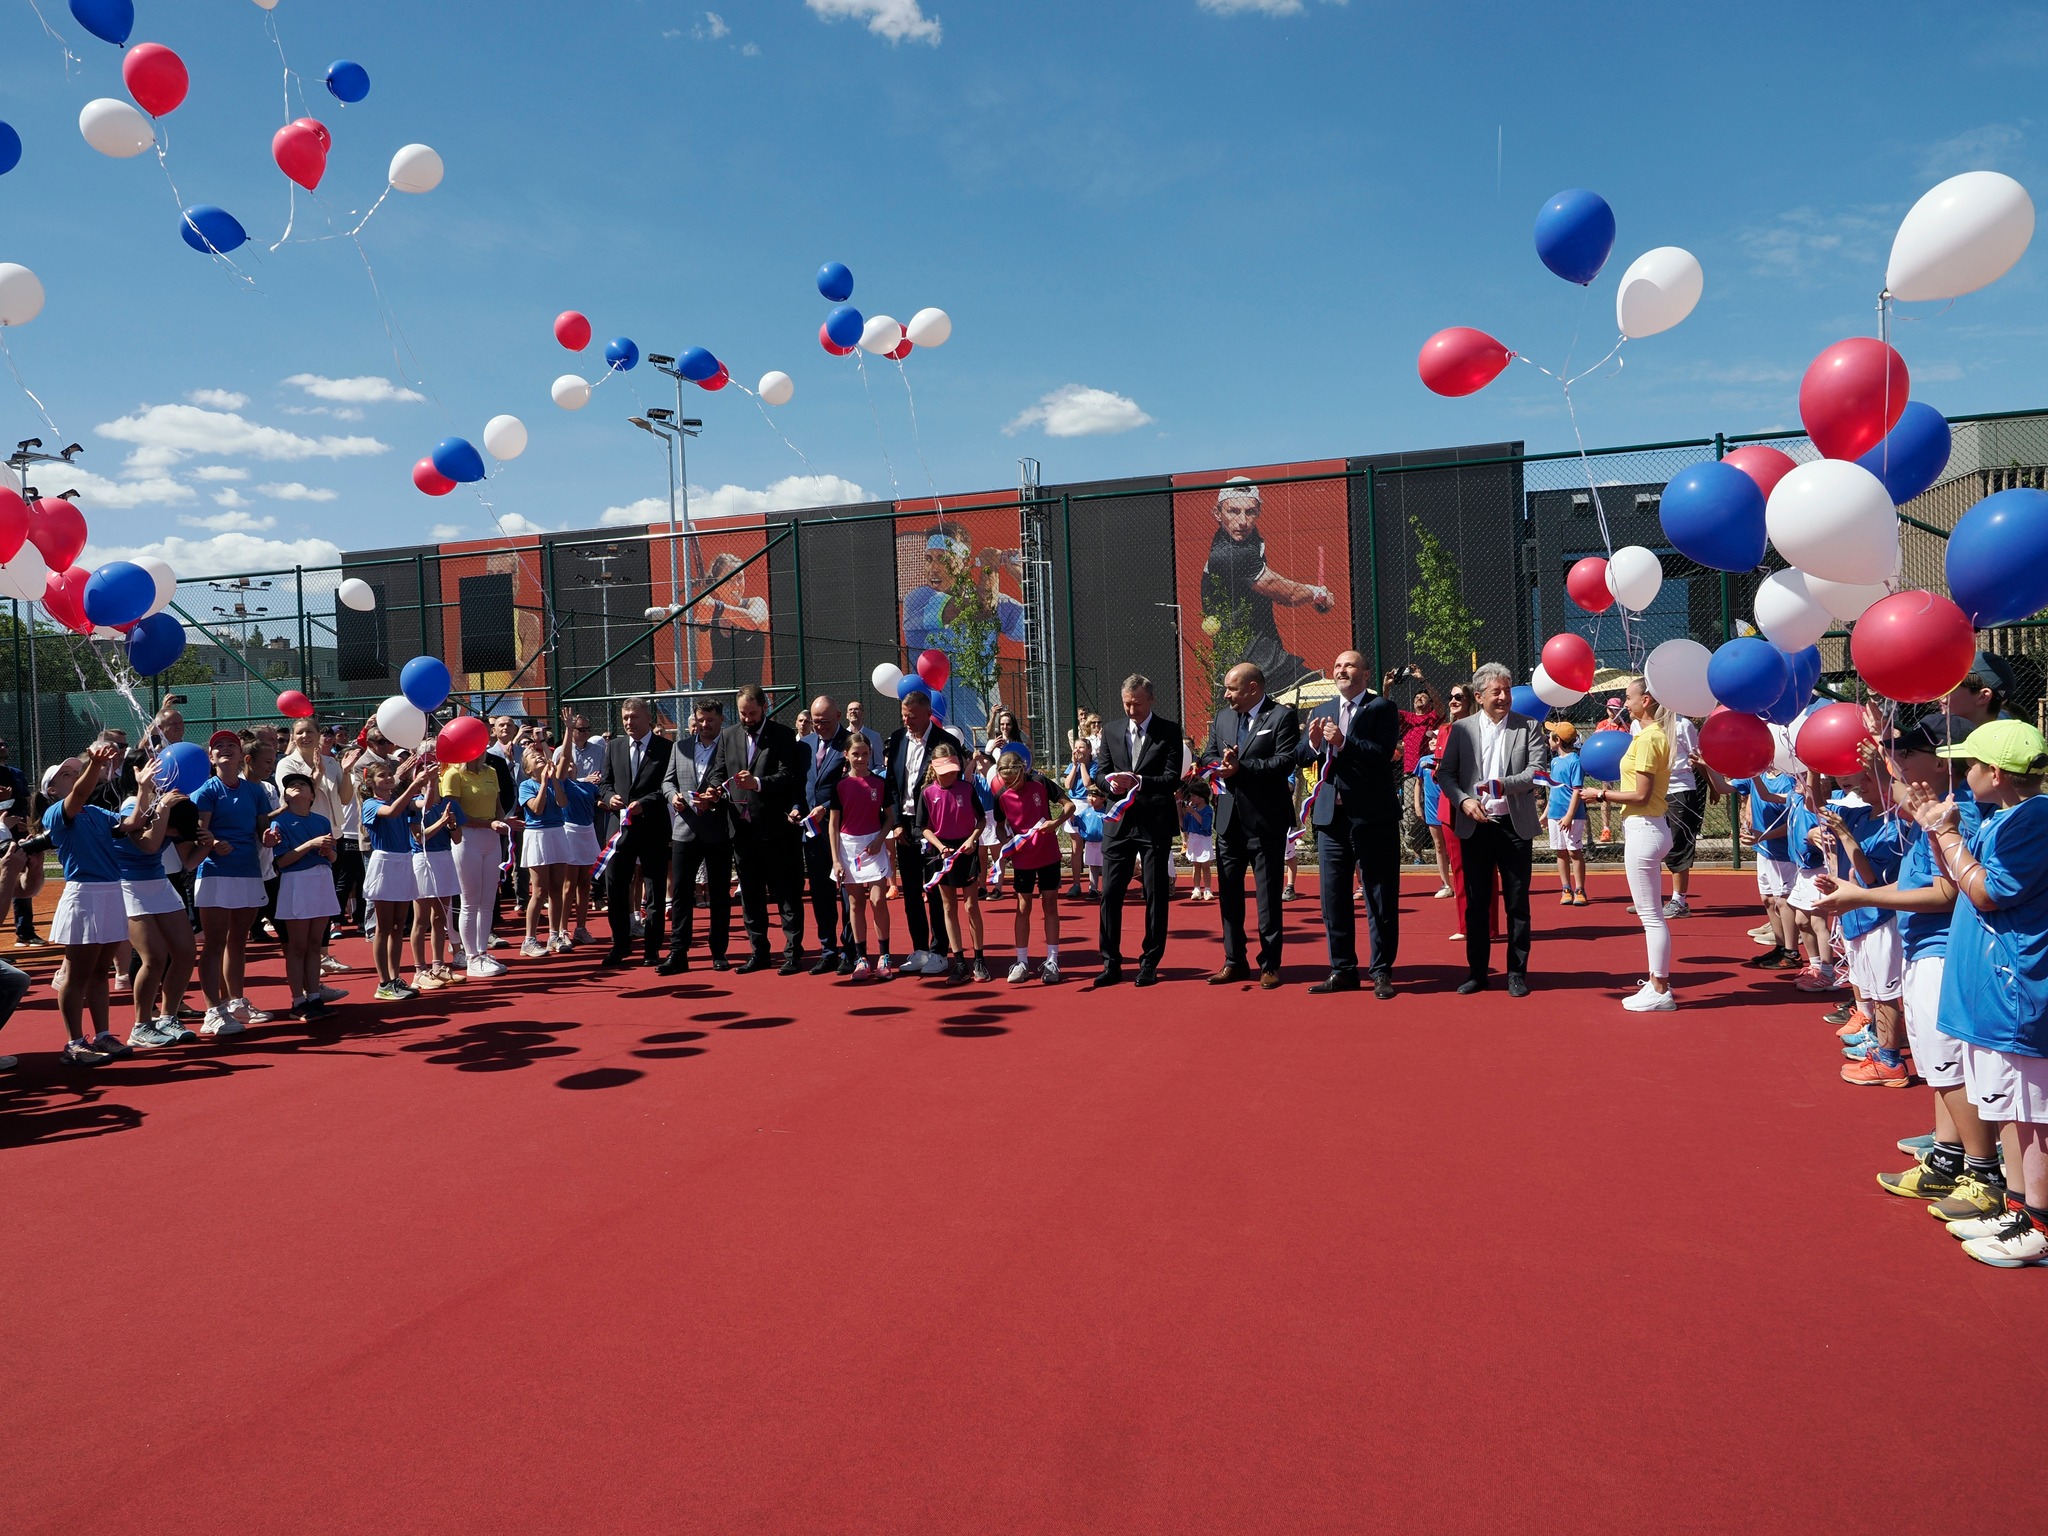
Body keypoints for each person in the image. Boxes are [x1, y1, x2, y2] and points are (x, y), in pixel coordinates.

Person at [1814, 723, 2001, 1216]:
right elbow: (1897, 782)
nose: (1897, 764)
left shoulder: (1954, 813)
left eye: (1906, 754)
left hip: (1942, 951)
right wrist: (1879, 751)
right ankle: (1946, 1160)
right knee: (1940, 1067)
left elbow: (1947, 892)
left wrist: (1861, 894)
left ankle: (1983, 1175)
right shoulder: (1929, 801)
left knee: (1951, 1067)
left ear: (1941, 761)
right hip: (1924, 948)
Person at [1913, 720, 2048, 1266]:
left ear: (1995, 773)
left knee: (2035, 1115)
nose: (1960, 773)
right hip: (1992, 991)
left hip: (2015, 990)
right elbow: (1962, 874)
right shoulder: (2003, 816)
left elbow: (1990, 891)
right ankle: (2021, 1208)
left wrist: (1947, 836)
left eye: (1968, 764)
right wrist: (1934, 831)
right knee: (2013, 1107)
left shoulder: (2035, 818)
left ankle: (2039, 1220)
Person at [1435, 663, 1547, 997]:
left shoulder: (1529, 727)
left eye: (1507, 690)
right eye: (1496, 692)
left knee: (1517, 904)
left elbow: (1537, 772)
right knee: (1477, 904)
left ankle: (1516, 973)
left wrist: (1503, 785)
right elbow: (1446, 775)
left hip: (1514, 826)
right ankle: (1477, 973)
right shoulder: (1461, 729)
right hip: (1475, 827)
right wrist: (1464, 802)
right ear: (1479, 696)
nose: (1503, 697)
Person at [1300, 649, 1403, 998]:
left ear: (1364, 673)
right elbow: (1305, 755)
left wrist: (1343, 742)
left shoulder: (1381, 709)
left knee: (1379, 896)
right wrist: (1313, 745)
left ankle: (1381, 970)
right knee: (1333, 899)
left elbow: (1381, 753)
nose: (1342, 670)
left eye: (1349, 665)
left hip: (1372, 815)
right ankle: (1342, 968)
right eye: (1337, 665)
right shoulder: (1322, 710)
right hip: (1331, 818)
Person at [1583, 677, 1675, 1011]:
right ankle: (1657, 984)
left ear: (1646, 700)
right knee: (1652, 916)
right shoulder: (1648, 735)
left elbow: (1641, 794)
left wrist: (1600, 794)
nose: (1625, 703)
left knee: (1651, 917)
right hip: (1648, 827)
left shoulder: (1650, 738)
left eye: (1629, 697)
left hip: (1645, 827)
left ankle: (1660, 987)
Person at [1090, 674, 1184, 987]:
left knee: (1155, 894)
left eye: (1138, 704)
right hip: (1118, 823)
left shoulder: (1169, 731)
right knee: (1110, 894)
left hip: (1154, 822)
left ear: (1151, 700)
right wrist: (1108, 783)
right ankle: (1110, 962)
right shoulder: (1112, 730)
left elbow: (1172, 778)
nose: (1132, 710)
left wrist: (1139, 783)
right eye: (1127, 704)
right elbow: (1100, 772)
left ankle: (1149, 962)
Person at [1197, 479, 1331, 694]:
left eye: (1250, 512)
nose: (1242, 521)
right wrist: (1318, 592)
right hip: (1260, 666)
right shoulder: (1230, 554)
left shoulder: (1245, 539)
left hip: (1263, 658)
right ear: (1217, 512)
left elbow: (1276, 593)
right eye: (1233, 511)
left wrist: (1305, 596)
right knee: (1328, 699)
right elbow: (1289, 594)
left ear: (1259, 511)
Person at [712, 683, 806, 974]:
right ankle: (759, 952)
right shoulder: (727, 736)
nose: (747, 718)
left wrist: (758, 783)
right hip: (741, 830)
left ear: (764, 707)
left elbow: (789, 775)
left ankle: (792, 952)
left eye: (752, 713)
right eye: (742, 713)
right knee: (750, 896)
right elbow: (718, 771)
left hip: (776, 828)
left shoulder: (783, 735)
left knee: (787, 893)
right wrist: (714, 791)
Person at [193, 730, 280, 1035]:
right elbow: (199, 833)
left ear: (241, 755)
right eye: (219, 746)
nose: (225, 748)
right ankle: (213, 1011)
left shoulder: (254, 791)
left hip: (248, 870)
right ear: (211, 757)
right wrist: (214, 841)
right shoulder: (206, 791)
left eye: (231, 745)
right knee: (215, 943)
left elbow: (263, 832)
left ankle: (236, 1002)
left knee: (239, 942)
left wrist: (269, 837)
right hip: (215, 872)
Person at [113, 769, 197, 1048]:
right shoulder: (132, 806)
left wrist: (206, 842)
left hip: (158, 883)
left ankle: (167, 1017)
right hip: (128, 885)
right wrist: (161, 809)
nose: (173, 837)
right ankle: (141, 1025)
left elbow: (187, 857)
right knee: (155, 957)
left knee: (185, 951)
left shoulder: (179, 806)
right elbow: (148, 845)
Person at [883, 688, 962, 975]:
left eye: (912, 717)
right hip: (904, 825)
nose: (907, 721)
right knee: (912, 891)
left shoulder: (946, 743)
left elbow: (952, 787)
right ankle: (919, 949)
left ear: (928, 714)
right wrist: (897, 823)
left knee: (937, 890)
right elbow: (891, 782)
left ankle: (940, 951)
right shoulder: (897, 739)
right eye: (904, 716)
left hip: (932, 828)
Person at [277, 715, 358, 987]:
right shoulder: (287, 764)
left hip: (331, 835)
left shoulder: (332, 761)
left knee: (325, 900)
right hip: (302, 837)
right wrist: (316, 775)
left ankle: (322, 955)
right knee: (305, 907)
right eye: (299, 732)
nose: (305, 736)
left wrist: (345, 771)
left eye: (309, 731)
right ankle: (308, 974)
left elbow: (346, 798)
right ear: (293, 737)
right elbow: (291, 796)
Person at [657, 699, 733, 975]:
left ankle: (719, 952)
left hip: (717, 830)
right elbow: (667, 780)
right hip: (684, 830)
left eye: (709, 720)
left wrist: (718, 797)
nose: (704, 725)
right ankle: (678, 952)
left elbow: (734, 783)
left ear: (720, 719)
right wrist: (673, 796)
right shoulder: (680, 747)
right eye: (700, 720)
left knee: (719, 894)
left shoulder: (729, 746)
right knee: (680, 894)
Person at [600, 697, 673, 968]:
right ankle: (620, 945)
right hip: (619, 830)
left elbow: (668, 785)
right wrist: (610, 798)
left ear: (647, 719)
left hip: (652, 828)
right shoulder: (614, 747)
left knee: (654, 890)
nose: (629, 722)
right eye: (625, 717)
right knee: (616, 888)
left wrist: (646, 803)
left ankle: (652, 949)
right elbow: (605, 782)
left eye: (634, 717)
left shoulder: (666, 748)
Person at [991, 746, 1070, 983]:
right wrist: (1007, 842)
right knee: (1023, 907)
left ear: (1022, 771)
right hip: (1022, 857)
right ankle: (1022, 961)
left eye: (1012, 779)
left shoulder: (1041, 783)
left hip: (1048, 855)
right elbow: (999, 825)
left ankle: (1052, 960)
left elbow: (1069, 806)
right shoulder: (1001, 796)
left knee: (1050, 905)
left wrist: (1055, 824)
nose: (1009, 784)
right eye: (1004, 780)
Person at [273, 770, 342, 1020]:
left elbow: (333, 857)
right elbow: (282, 861)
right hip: (296, 883)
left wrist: (328, 852)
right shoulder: (279, 822)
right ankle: (297, 1001)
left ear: (312, 795)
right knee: (297, 947)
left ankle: (314, 996)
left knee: (315, 945)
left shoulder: (322, 821)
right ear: (286, 796)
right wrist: (309, 845)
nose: (297, 787)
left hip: (321, 881)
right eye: (291, 785)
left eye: (303, 784)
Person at [917, 739, 988, 983]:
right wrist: (939, 846)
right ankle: (959, 963)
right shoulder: (927, 793)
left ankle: (979, 960)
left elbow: (981, 821)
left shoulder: (967, 789)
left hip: (966, 852)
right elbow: (923, 828)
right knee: (948, 907)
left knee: (971, 906)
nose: (949, 776)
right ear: (934, 768)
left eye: (953, 771)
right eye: (944, 772)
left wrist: (972, 839)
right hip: (942, 855)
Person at [359, 756, 429, 1001]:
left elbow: (425, 804)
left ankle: (395, 977)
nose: (388, 778)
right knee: (384, 926)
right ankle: (383, 982)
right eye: (382, 776)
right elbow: (390, 812)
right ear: (370, 782)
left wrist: (429, 782)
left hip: (404, 862)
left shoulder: (403, 799)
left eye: (390, 775)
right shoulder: (370, 803)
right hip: (385, 863)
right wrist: (412, 787)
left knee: (400, 926)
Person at [440, 741, 510, 979]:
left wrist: (502, 823)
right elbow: (456, 815)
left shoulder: (491, 771)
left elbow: (498, 806)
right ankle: (470, 957)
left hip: (491, 838)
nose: (480, 751)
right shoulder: (452, 774)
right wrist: (489, 824)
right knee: (470, 900)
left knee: (488, 899)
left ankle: (482, 952)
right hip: (466, 839)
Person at [797, 694, 855, 976]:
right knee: (820, 893)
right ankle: (828, 950)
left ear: (839, 717)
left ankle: (851, 950)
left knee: (847, 895)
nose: (819, 726)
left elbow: (854, 785)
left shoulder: (850, 744)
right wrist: (797, 809)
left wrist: (828, 808)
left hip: (843, 831)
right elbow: (800, 785)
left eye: (825, 722)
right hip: (813, 834)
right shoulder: (805, 745)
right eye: (815, 721)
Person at [828, 733, 894, 978]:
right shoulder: (840, 785)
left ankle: (884, 955)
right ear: (846, 755)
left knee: (878, 901)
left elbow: (889, 818)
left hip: (873, 846)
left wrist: (879, 840)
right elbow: (833, 824)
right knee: (855, 904)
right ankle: (861, 958)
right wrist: (835, 859)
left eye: (865, 753)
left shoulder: (879, 783)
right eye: (855, 753)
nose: (861, 758)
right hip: (849, 849)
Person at [410, 770, 463, 988]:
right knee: (421, 920)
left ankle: (438, 966)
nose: (434, 782)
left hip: (444, 858)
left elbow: (458, 839)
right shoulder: (414, 804)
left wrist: (451, 825)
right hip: (422, 860)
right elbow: (419, 837)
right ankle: (419, 970)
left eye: (436, 778)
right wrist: (442, 822)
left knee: (440, 918)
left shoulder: (450, 804)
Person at [518, 743, 570, 957]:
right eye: (532, 757)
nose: (538, 757)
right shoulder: (525, 786)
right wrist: (542, 783)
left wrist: (553, 779)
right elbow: (537, 809)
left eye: (539, 755)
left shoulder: (554, 781)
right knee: (539, 891)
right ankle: (529, 940)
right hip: (537, 836)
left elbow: (563, 802)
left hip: (557, 833)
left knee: (557, 889)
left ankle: (554, 935)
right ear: (528, 769)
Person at [696, 552, 771, 690]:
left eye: (739, 578)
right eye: (729, 580)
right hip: (715, 700)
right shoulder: (707, 615)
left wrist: (718, 607)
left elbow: (753, 622)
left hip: (749, 700)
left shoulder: (757, 603)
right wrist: (704, 625)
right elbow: (705, 665)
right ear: (716, 585)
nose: (736, 585)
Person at [1396, 673, 1441, 870]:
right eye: (1416, 697)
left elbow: (1439, 702)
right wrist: (1387, 686)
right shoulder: (1407, 719)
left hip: (1433, 770)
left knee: (1435, 810)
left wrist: (1424, 680)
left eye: (1423, 697)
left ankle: (1439, 848)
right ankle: (1416, 851)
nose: (1419, 699)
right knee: (1412, 814)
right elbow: (1385, 707)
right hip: (1410, 773)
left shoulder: (1433, 718)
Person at [1544, 721, 1589, 906]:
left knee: (1574, 852)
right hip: (1554, 815)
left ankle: (1580, 889)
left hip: (1573, 816)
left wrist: (1570, 815)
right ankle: (1566, 888)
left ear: (1558, 740)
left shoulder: (1575, 761)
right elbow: (1554, 791)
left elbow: (1577, 790)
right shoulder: (1554, 762)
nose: (1548, 738)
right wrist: (1546, 813)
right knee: (1560, 852)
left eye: (1551, 735)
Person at [0, 730, 36, 944]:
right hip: (2, 830)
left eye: (4, 743)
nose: (3, 746)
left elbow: (25, 799)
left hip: (17, 831)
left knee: (21, 879)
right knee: (4, 881)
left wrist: (27, 823)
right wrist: (4, 814)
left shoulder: (16, 773)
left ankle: (25, 931)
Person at [1181, 782, 1215, 902]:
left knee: (1205, 865)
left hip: (1203, 839)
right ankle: (1196, 889)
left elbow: (1205, 825)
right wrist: (1182, 809)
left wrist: (1193, 813)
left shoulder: (1207, 810)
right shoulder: (1192, 809)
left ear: (1201, 797)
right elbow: (1184, 825)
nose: (1192, 799)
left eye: (1194, 796)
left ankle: (1207, 889)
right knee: (1196, 865)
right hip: (1193, 839)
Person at [845, 698, 884, 762]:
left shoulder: (875, 737)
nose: (853, 711)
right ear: (847, 715)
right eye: (850, 710)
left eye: (856, 709)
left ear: (863, 714)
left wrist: (868, 772)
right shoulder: (841, 736)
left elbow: (879, 764)